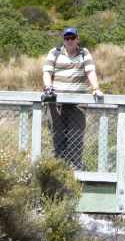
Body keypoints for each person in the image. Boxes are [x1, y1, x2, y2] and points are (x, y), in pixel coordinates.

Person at [42, 27, 104, 169]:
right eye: (67, 38)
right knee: (58, 136)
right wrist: (48, 87)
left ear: (77, 39)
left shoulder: (84, 53)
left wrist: (95, 88)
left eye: (72, 38)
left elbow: (90, 71)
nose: (69, 41)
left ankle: (76, 168)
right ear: (63, 40)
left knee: (75, 137)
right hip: (56, 102)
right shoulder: (54, 52)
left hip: (77, 103)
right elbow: (47, 72)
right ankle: (59, 168)